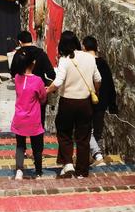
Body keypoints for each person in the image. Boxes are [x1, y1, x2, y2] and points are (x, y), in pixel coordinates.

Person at [50, 30, 99, 178]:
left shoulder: (65, 60)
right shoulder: (89, 58)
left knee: (64, 132)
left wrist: (46, 90)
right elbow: (98, 79)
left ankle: (68, 164)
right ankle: (82, 171)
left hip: (68, 102)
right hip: (85, 102)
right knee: (83, 137)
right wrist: (95, 93)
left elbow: (58, 82)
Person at [10, 46, 48, 179]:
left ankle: (19, 170)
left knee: (20, 145)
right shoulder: (38, 81)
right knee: (37, 146)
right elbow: (43, 98)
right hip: (34, 119)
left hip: (19, 118)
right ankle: (38, 171)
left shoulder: (17, 78)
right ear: (33, 63)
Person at [82, 35, 117, 165]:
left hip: (87, 101)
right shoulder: (103, 64)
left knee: (85, 130)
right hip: (102, 103)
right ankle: (97, 158)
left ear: (84, 47)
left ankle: (97, 156)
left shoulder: (85, 63)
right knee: (98, 131)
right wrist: (112, 105)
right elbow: (110, 85)